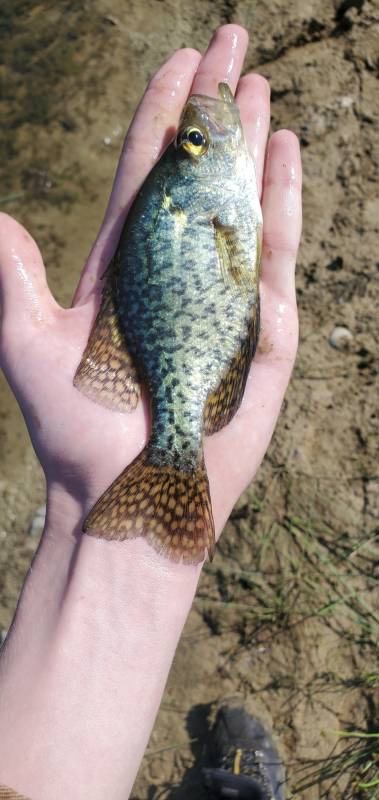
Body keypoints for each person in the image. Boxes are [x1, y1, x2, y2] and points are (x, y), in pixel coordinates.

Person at [0, 24, 302, 800]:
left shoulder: (203, 190)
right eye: (193, 142)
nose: (200, 139)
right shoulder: (189, 192)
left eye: (190, 141)